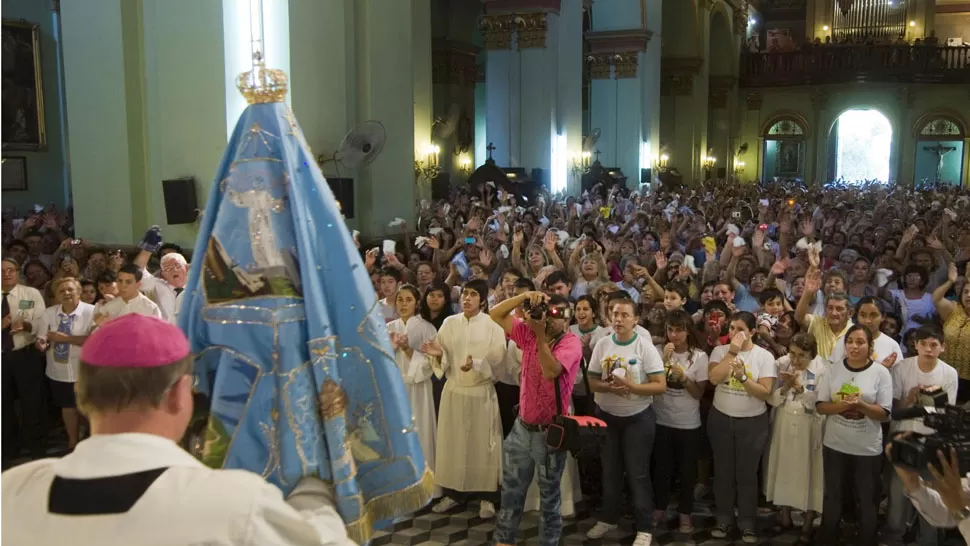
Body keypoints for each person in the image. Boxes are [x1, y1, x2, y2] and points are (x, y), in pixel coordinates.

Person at [0, 314, 355, 545]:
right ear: (177, 395)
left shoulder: (13, 491)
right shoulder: (229, 504)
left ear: (80, 395)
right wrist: (314, 494)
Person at [490, 290, 583, 546]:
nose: (551, 318)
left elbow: (551, 370)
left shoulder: (571, 342)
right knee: (510, 494)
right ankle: (504, 541)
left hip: (549, 433)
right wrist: (523, 297)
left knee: (549, 499)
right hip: (522, 427)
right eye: (548, 311)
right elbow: (495, 314)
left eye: (558, 314)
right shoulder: (529, 333)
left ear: (568, 318)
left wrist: (540, 334)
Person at [421, 279, 507, 519]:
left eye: (472, 295)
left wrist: (477, 364)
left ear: (482, 299)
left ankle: (487, 497)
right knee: (454, 444)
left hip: (481, 392)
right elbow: (441, 355)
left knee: (484, 446)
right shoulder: (449, 323)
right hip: (455, 390)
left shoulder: (492, 326)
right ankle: (454, 493)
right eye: (465, 294)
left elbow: (500, 360)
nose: (467, 299)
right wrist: (439, 356)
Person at [585, 298, 667, 546]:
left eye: (624, 315)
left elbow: (660, 385)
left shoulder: (644, 347)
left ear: (635, 320)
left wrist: (631, 386)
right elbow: (591, 380)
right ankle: (609, 517)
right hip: (607, 417)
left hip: (637, 419)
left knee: (637, 473)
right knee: (609, 471)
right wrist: (608, 387)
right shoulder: (603, 344)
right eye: (614, 314)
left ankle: (644, 526)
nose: (618, 319)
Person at [816, 324, 892, 546]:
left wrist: (861, 405)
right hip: (835, 444)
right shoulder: (833, 369)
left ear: (870, 346)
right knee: (833, 496)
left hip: (866, 448)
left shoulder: (881, 373)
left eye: (860, 342)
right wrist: (841, 406)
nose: (854, 346)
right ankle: (828, 537)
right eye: (850, 341)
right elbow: (821, 406)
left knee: (867, 498)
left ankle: (867, 538)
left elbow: (885, 414)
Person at [706, 311, 777, 543]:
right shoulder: (720, 351)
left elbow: (765, 393)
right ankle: (724, 520)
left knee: (746, 475)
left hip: (752, 423)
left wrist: (744, 378)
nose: (734, 334)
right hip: (721, 419)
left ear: (752, 332)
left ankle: (747, 522)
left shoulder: (763, 357)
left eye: (740, 329)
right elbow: (714, 378)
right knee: (723, 473)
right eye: (731, 329)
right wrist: (732, 352)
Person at [885, 325, 959, 546]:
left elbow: (946, 413)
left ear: (942, 347)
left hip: (931, 440)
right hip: (902, 434)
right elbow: (895, 409)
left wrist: (928, 404)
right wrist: (911, 398)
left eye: (934, 345)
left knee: (931, 492)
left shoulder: (949, 373)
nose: (928, 349)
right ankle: (894, 536)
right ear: (915, 345)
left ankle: (928, 540)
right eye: (923, 344)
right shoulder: (902, 368)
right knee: (898, 492)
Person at [764, 332, 826, 542]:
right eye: (792, 353)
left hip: (809, 426)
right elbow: (770, 398)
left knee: (810, 471)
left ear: (812, 355)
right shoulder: (782, 364)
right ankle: (784, 517)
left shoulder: (822, 370)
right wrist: (784, 389)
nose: (796, 360)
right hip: (783, 421)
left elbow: (821, 404)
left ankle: (808, 523)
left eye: (802, 355)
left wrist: (800, 389)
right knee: (783, 467)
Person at [651, 309, 709, 534]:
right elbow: (651, 383)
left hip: (688, 423)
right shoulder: (657, 351)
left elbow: (698, 394)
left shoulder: (699, 356)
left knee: (687, 472)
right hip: (661, 419)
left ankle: (686, 513)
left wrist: (684, 378)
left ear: (687, 331)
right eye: (670, 330)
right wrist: (664, 361)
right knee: (661, 469)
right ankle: (659, 508)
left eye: (679, 330)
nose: (674, 335)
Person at [386, 285, 438, 497]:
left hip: (419, 388)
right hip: (396, 389)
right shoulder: (388, 327)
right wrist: (391, 348)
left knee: (421, 433)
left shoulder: (427, 328)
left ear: (417, 302)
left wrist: (408, 349)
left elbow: (433, 363)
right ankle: (401, 487)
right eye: (400, 300)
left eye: (408, 299)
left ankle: (426, 487)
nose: (403, 304)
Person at [34, 277, 95, 449]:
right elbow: (42, 336)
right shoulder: (49, 313)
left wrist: (65, 339)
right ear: (56, 295)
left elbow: (95, 340)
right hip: (58, 370)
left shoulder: (92, 311)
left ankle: (90, 442)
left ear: (79, 291)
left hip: (85, 370)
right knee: (67, 407)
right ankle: (72, 442)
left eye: (70, 289)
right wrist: (41, 343)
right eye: (61, 291)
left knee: (87, 408)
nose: (66, 293)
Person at [1, 256, 49, 463]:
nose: (6, 273)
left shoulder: (31, 293)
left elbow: (42, 321)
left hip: (25, 353)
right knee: (3, 407)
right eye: (2, 270)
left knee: (32, 403)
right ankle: (8, 450)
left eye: (11, 269)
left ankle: (37, 449)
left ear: (18, 271)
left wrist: (28, 326)